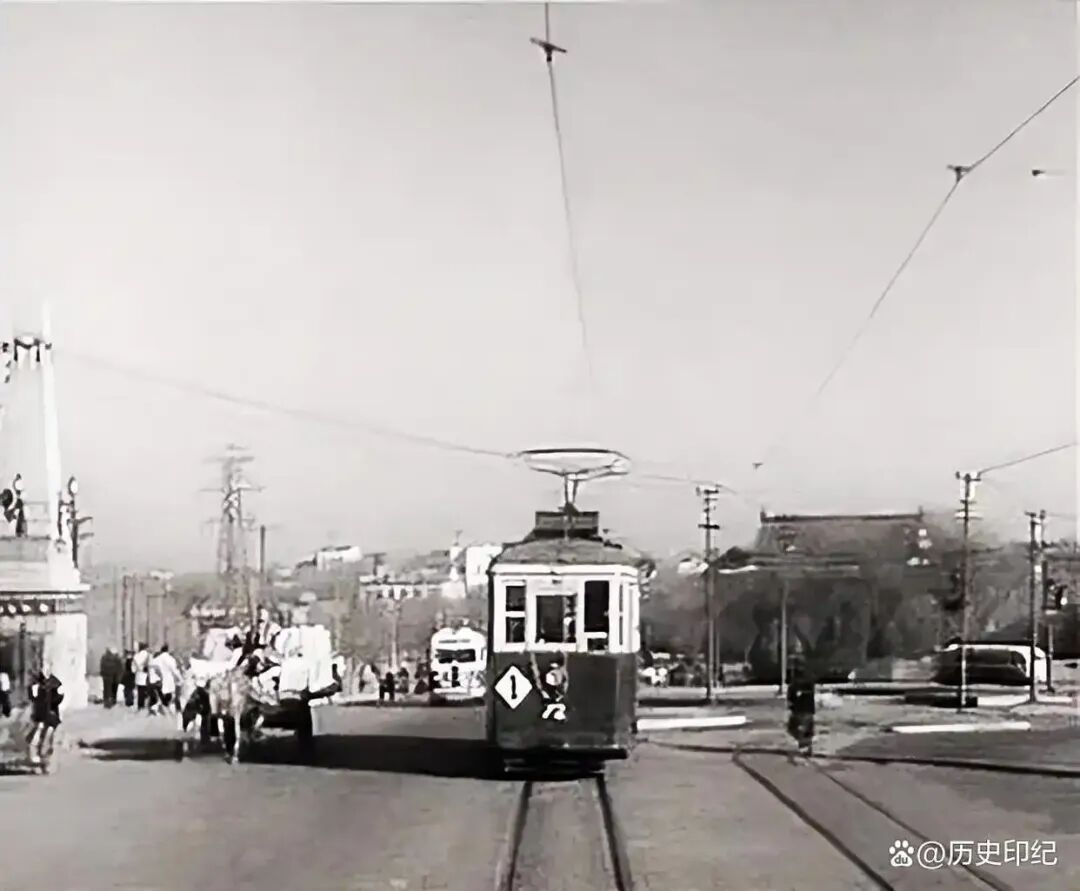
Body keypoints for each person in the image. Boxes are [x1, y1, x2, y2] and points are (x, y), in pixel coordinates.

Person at [26, 667, 63, 765]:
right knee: (39, 733)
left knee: (46, 734)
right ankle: (38, 756)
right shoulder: (38, 686)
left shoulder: (53, 683)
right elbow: (32, 697)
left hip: (47, 714)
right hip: (42, 715)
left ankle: (44, 756)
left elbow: (59, 696)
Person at [786, 657, 816, 759]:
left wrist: (791, 704)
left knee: (794, 727)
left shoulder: (795, 680)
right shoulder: (809, 677)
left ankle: (804, 744)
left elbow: (791, 693)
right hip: (808, 708)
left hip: (799, 709)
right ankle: (806, 746)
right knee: (807, 728)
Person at [149, 644, 182, 714]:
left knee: (162, 697)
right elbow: (174, 670)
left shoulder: (157, 659)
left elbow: (151, 665)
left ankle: (158, 708)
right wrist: (180, 678)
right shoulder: (170, 659)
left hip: (158, 681)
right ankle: (158, 708)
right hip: (168, 681)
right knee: (168, 697)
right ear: (168, 650)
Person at [132, 643, 151, 711]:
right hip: (146, 675)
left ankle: (140, 706)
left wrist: (138, 670)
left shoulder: (136, 656)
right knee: (148, 691)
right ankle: (147, 705)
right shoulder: (148, 655)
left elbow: (133, 669)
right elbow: (150, 664)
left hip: (138, 676)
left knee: (140, 691)